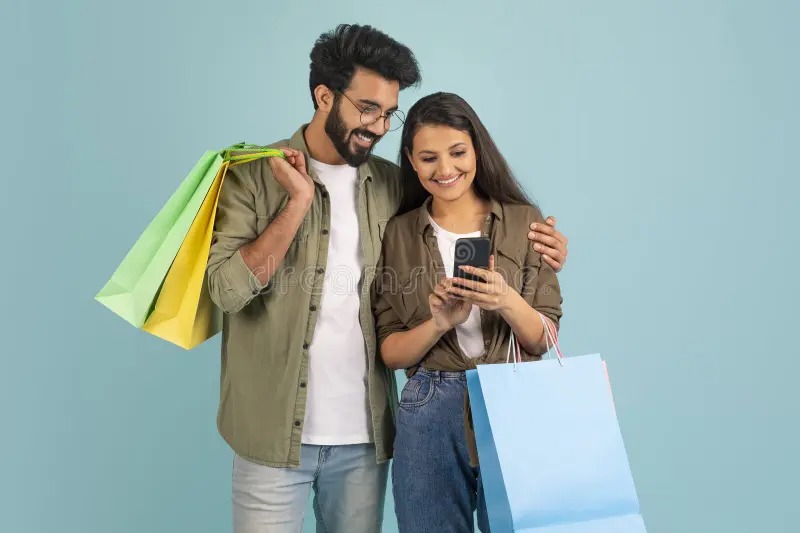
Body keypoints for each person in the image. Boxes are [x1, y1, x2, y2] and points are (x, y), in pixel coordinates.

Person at [206, 24, 570, 533]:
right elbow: (225, 290)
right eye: (366, 108)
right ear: (324, 95)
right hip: (272, 433)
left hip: (366, 439)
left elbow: (465, 211)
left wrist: (547, 247)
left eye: (387, 112)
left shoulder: (395, 185)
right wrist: (298, 204)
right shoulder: (251, 175)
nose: (378, 125)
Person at [373, 92, 564, 533]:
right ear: (410, 161)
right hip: (430, 408)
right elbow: (391, 352)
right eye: (428, 158)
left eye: (457, 152)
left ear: (476, 148)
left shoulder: (523, 221)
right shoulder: (397, 232)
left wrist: (506, 300)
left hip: (514, 397)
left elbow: (542, 339)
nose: (445, 170)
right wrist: (439, 322)